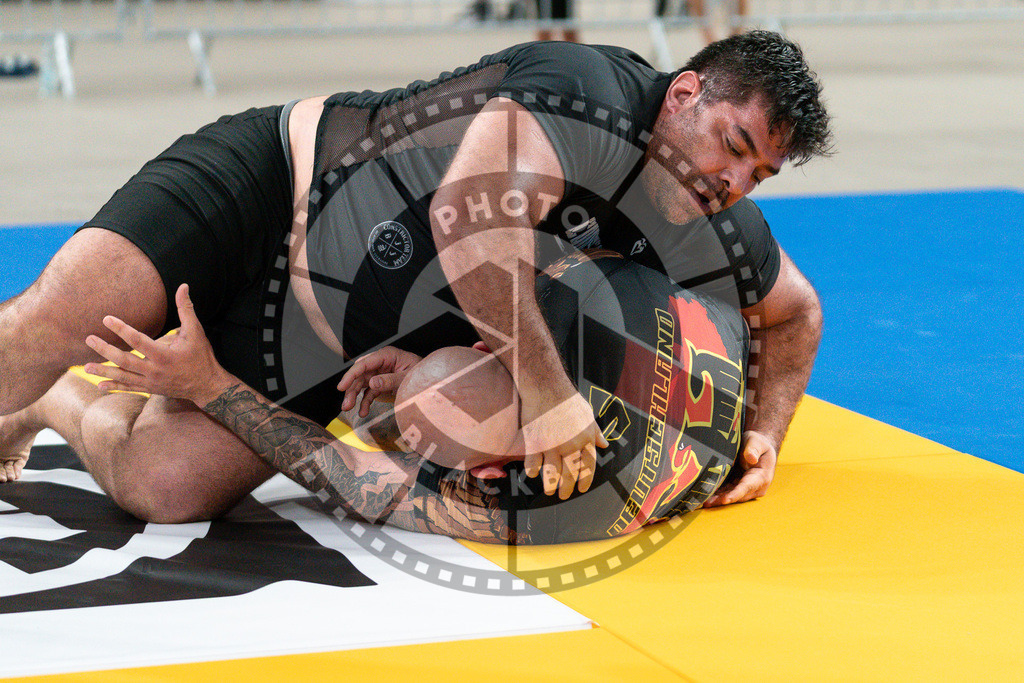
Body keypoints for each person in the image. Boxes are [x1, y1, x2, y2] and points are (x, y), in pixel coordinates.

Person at [0, 32, 830, 523]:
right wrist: (550, 398)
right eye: (732, 143)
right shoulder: (583, 97)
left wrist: (765, 431)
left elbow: (796, 316)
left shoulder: (703, 218)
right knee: (53, 322)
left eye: (759, 174)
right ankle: (32, 374)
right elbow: (469, 229)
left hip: (323, 344)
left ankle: (51, 401)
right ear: (683, 94)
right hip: (277, 185)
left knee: (164, 485)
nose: (734, 181)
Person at [3, 253, 749, 543]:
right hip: (337, 242)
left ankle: (51, 398)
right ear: (492, 343)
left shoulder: (547, 503)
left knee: (163, 482)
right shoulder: (576, 296)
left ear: (487, 474)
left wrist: (214, 387)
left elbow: (352, 481)